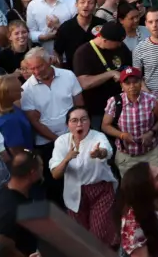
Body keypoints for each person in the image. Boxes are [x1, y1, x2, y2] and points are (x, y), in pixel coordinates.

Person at [49, 105, 118, 249]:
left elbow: (107, 151)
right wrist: (66, 159)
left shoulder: (98, 137)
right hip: (74, 193)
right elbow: (55, 174)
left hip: (100, 190)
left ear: (89, 122)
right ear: (68, 124)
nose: (79, 124)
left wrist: (99, 153)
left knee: (98, 232)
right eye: (74, 120)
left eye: (83, 119)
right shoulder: (62, 142)